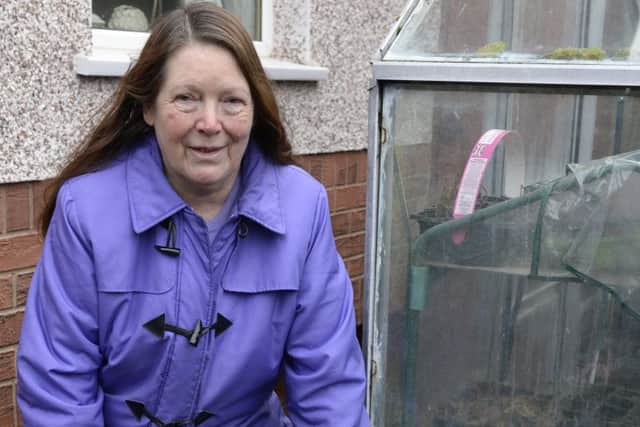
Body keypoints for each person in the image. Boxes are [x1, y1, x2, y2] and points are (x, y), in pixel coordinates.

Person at [17, 3, 370, 426]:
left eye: (232, 101)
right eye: (186, 98)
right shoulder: (85, 211)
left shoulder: (302, 206)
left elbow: (328, 386)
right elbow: (59, 390)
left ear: (254, 110)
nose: (209, 122)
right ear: (148, 108)